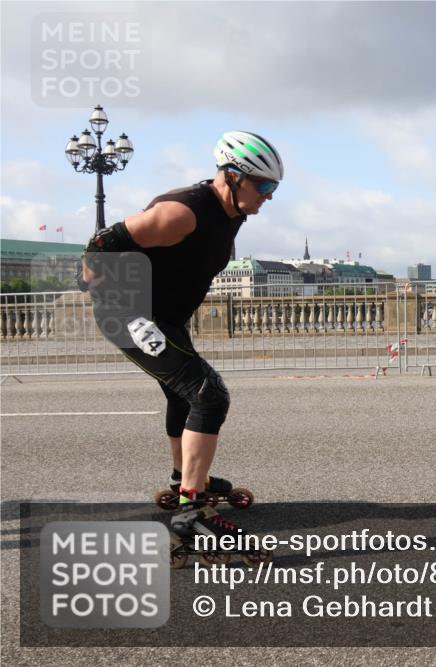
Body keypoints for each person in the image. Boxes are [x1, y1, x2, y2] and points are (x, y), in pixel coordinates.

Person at [79, 131, 283, 542]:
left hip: (166, 318)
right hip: (129, 314)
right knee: (209, 393)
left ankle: (183, 479)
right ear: (231, 177)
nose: (269, 196)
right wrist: (95, 283)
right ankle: (192, 513)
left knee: (183, 394)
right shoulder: (183, 213)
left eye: (273, 187)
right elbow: (101, 243)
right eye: (263, 186)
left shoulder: (234, 211)